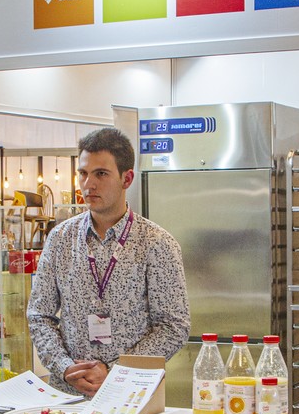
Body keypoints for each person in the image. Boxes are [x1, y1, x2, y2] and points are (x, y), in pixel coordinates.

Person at [27, 127, 189, 396]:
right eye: (83, 173)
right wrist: (65, 367)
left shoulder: (157, 244)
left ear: (127, 179)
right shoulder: (60, 239)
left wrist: (115, 370)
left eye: (101, 174)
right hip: (68, 395)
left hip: (131, 394)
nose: (88, 184)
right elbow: (39, 315)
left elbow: (173, 327)